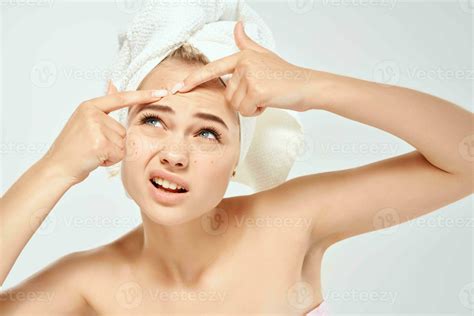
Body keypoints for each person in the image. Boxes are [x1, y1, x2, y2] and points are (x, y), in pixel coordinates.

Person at [0, 21, 472, 315]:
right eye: (153, 121)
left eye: (207, 133)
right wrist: (54, 168)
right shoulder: (87, 283)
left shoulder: (291, 223)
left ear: (236, 161)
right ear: (120, 136)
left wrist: (313, 87)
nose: (174, 154)